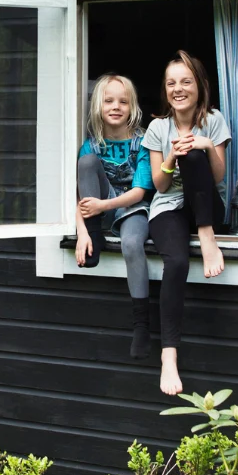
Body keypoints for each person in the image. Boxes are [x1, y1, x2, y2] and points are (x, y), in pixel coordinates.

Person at [142, 50, 230, 395]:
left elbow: (219, 177)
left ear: (199, 86)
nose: (178, 89)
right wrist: (170, 158)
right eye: (171, 83)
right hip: (168, 207)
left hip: (207, 207)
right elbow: (160, 185)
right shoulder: (156, 127)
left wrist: (206, 146)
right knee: (176, 262)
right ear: (165, 90)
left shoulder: (214, 120)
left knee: (196, 154)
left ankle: (207, 238)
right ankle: (168, 356)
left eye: (186, 81)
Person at [73, 74, 155, 359]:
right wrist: (81, 232)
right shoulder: (92, 144)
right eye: (109, 101)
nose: (116, 106)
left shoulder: (143, 142)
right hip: (102, 207)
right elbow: (78, 195)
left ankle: (141, 326)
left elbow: (140, 191)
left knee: (132, 245)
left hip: (133, 208)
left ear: (132, 107)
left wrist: (101, 207)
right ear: (98, 105)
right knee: (86, 163)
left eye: (123, 101)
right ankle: (95, 237)